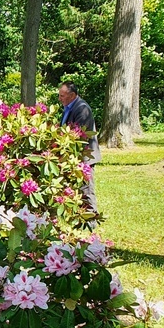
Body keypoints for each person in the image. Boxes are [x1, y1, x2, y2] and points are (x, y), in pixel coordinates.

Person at [58, 83, 101, 227]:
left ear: (72, 95)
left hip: (84, 157)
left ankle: (91, 222)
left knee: (86, 189)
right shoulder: (69, 107)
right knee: (78, 190)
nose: (59, 98)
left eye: (62, 96)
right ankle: (80, 219)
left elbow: (79, 135)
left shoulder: (81, 109)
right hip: (74, 157)